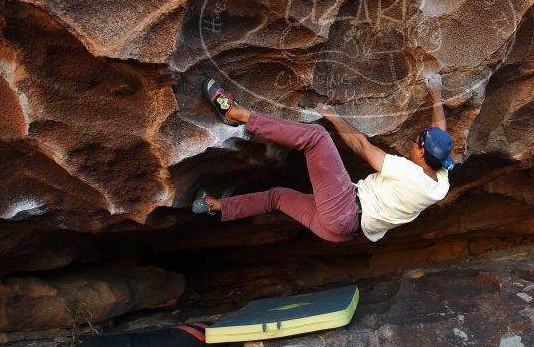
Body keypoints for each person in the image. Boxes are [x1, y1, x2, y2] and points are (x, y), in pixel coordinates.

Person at [192, 72, 455, 243]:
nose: (413, 141)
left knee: (317, 137)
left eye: (417, 140)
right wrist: (436, 94)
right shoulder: (439, 183)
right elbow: (440, 135)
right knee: (277, 197)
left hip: (345, 210)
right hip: (340, 232)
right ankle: (215, 205)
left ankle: (236, 114)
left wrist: (332, 115)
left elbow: (360, 146)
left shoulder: (407, 173)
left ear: (421, 152)